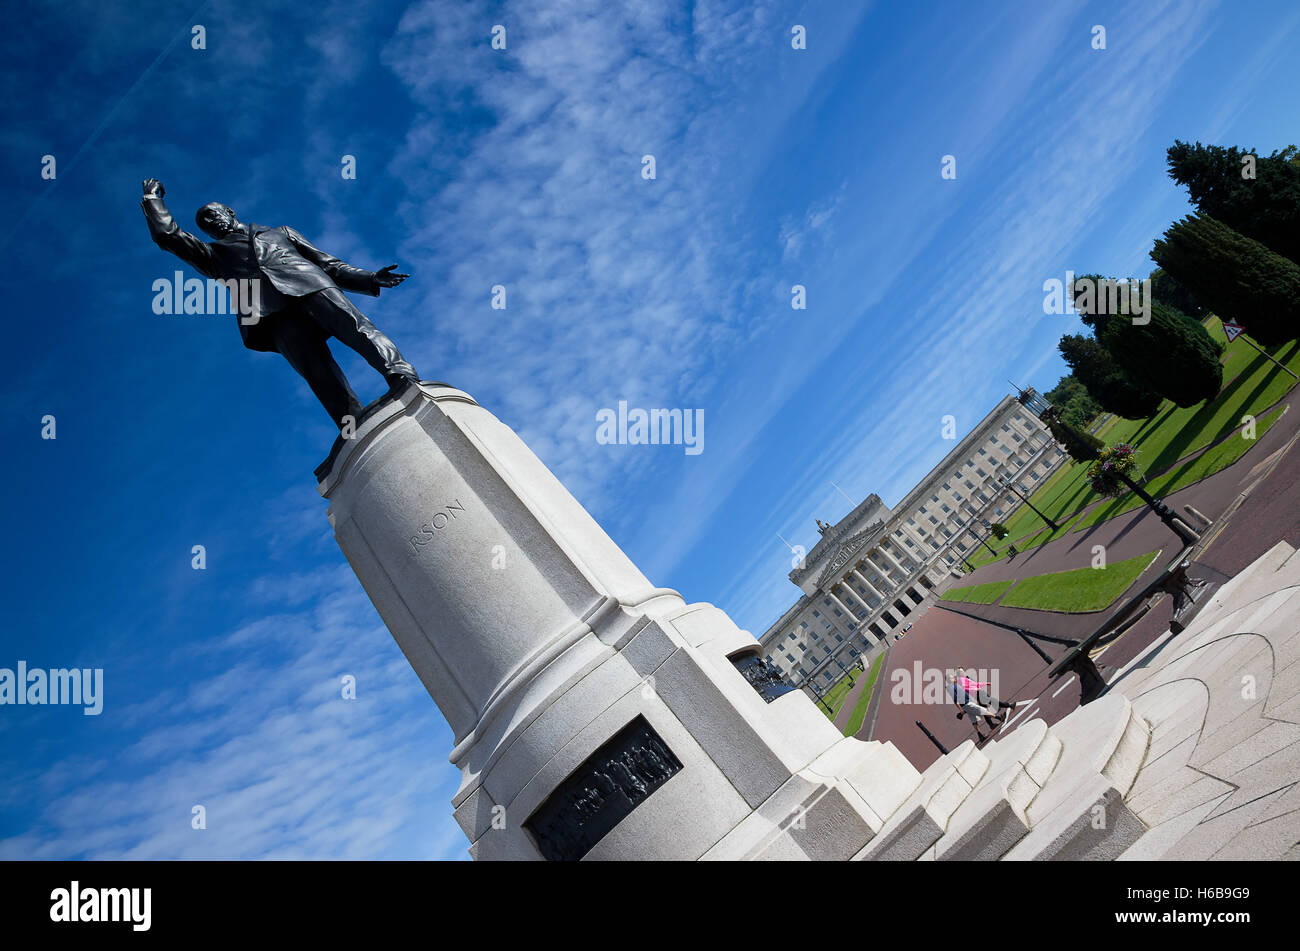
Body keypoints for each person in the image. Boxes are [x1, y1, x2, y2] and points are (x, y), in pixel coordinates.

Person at [140, 178, 421, 430]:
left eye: (214, 215)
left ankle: (400, 375)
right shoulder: (212, 255)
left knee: (358, 329)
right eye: (206, 225)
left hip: (310, 284)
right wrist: (153, 201)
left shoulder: (281, 232)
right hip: (269, 313)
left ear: (230, 212)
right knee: (316, 370)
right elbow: (169, 237)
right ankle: (352, 426)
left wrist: (369, 278)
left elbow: (329, 264)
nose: (212, 224)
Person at [946, 671, 1001, 741]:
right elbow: (955, 700)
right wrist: (961, 710)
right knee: (984, 711)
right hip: (967, 704)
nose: (954, 678)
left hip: (966, 705)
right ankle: (999, 718)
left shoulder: (954, 685)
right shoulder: (951, 687)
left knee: (973, 720)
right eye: (952, 677)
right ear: (949, 680)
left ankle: (980, 735)